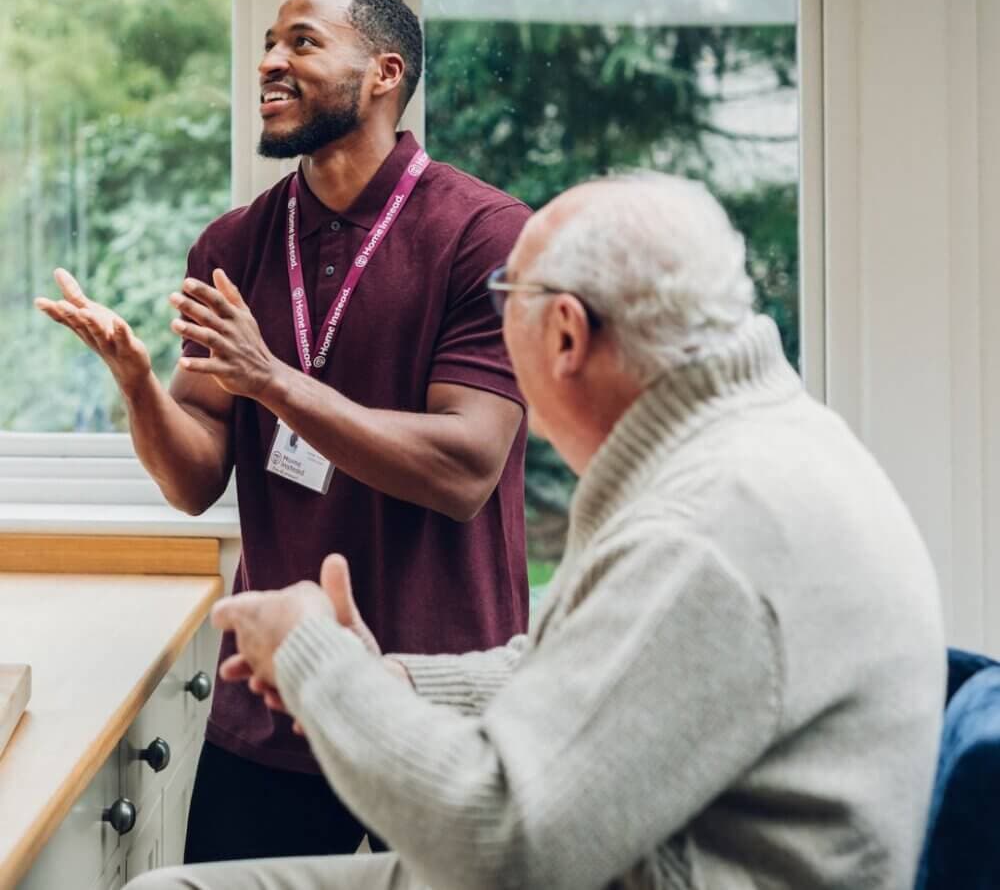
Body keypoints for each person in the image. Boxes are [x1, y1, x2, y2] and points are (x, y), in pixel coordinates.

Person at [128, 172, 947, 890]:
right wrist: (403, 681)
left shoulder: (702, 527)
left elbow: (502, 848)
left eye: (501, 302)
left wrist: (317, 660)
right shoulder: (757, 443)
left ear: (563, 333)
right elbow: (606, 670)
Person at [36, 0, 530, 862]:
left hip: (437, 711)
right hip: (269, 715)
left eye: (302, 42)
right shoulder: (233, 245)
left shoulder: (486, 234)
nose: (269, 61)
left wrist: (272, 379)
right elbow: (193, 480)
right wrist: (141, 385)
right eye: (268, 42)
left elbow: (465, 470)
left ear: (383, 73)